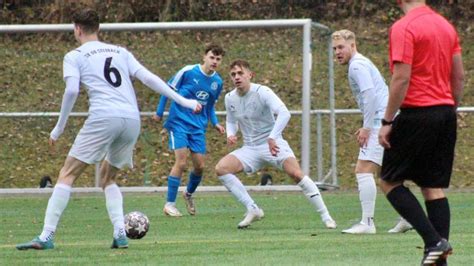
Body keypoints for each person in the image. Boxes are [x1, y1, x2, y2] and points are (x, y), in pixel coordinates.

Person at [16, 8, 201, 250]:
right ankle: (119, 234)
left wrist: (58, 129)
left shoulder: (75, 55)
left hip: (104, 116)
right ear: (99, 29)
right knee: (108, 178)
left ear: (77, 29)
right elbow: (149, 78)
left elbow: (71, 91)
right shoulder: (120, 52)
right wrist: (185, 102)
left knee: (67, 174)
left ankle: (46, 236)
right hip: (131, 118)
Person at [378, 0, 464, 265]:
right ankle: (440, 260)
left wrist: (387, 120)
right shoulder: (445, 26)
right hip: (445, 112)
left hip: (418, 112)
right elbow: (458, 75)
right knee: (432, 187)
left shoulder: (405, 27)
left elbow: (401, 77)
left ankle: (433, 241)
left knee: (389, 181)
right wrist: (449, 109)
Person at [215, 59, 337, 229]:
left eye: (241, 73)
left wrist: (273, 137)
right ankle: (253, 209)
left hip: (273, 143)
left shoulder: (262, 92)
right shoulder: (230, 98)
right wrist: (231, 134)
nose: (237, 77)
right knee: (222, 168)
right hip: (250, 148)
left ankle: (326, 216)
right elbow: (231, 120)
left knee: (296, 174)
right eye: (233, 74)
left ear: (250, 75)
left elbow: (284, 113)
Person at [153, 44, 226, 217]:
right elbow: (167, 90)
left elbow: (210, 106)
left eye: (218, 59)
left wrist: (214, 123)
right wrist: (159, 112)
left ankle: (188, 194)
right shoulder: (187, 72)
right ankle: (169, 204)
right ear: (204, 57)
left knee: (200, 167)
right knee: (182, 162)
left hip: (198, 127)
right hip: (179, 123)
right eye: (212, 57)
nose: (214, 61)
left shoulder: (218, 82)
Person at [331, 29, 388, 234]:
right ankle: (407, 218)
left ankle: (367, 223)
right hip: (388, 119)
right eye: (334, 49)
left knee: (363, 170)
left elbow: (370, 95)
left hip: (380, 121)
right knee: (388, 176)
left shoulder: (357, 65)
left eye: (341, 47)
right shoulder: (360, 63)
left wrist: (367, 127)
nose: (337, 52)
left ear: (353, 46)